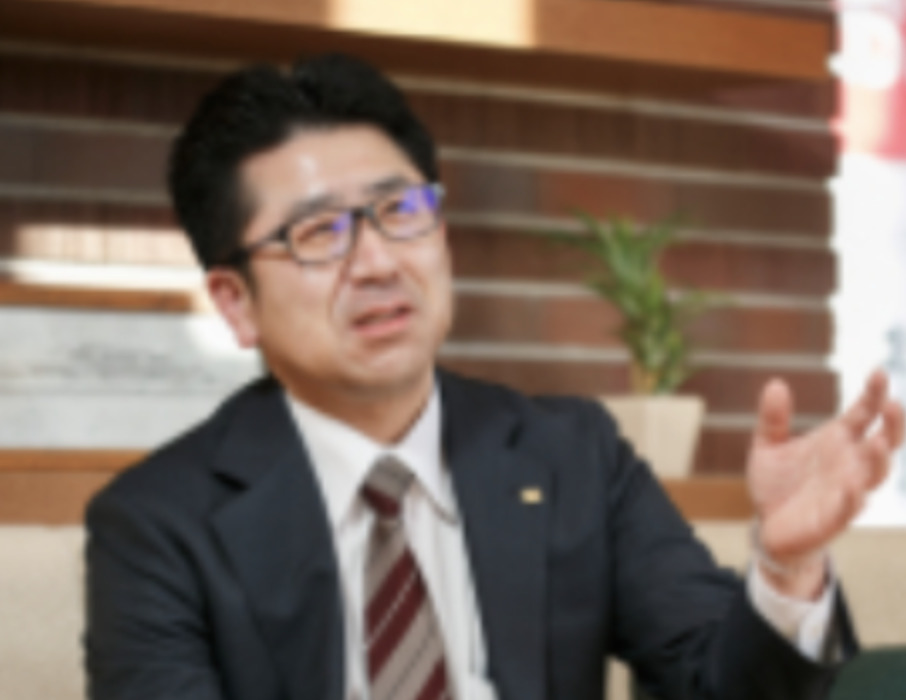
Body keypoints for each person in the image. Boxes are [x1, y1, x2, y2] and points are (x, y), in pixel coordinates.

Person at [85, 54, 905, 700]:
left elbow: (715, 684)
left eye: (400, 212)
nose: (378, 263)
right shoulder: (159, 524)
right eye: (319, 234)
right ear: (236, 304)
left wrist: (787, 568)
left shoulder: (574, 455)